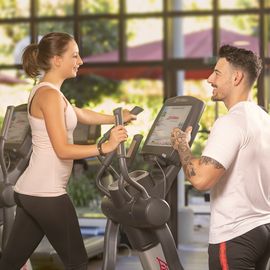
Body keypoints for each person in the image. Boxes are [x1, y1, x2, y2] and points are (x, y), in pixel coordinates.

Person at [0, 32, 136, 270]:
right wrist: (105, 147)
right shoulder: (48, 95)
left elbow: (80, 114)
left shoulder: (50, 92)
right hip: (47, 195)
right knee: (78, 263)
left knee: (10, 263)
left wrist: (117, 118)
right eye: (74, 55)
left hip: (32, 192)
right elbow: (62, 150)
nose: (80, 61)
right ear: (56, 60)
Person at [171, 44, 270, 269]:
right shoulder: (263, 118)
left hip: (235, 235)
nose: (209, 79)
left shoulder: (230, 122)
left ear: (236, 78)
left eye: (217, 73)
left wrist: (182, 147)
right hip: (262, 229)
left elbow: (201, 179)